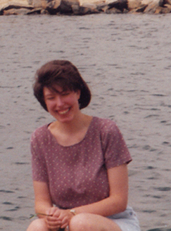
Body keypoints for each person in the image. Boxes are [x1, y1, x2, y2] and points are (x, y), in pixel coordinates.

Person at [27, 60, 140, 231]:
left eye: (65, 94)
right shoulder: (40, 138)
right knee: (37, 227)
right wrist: (51, 215)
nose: (59, 103)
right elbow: (41, 203)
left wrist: (73, 214)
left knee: (81, 224)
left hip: (113, 221)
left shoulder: (106, 131)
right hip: (65, 221)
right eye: (51, 98)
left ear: (78, 93)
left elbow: (119, 200)